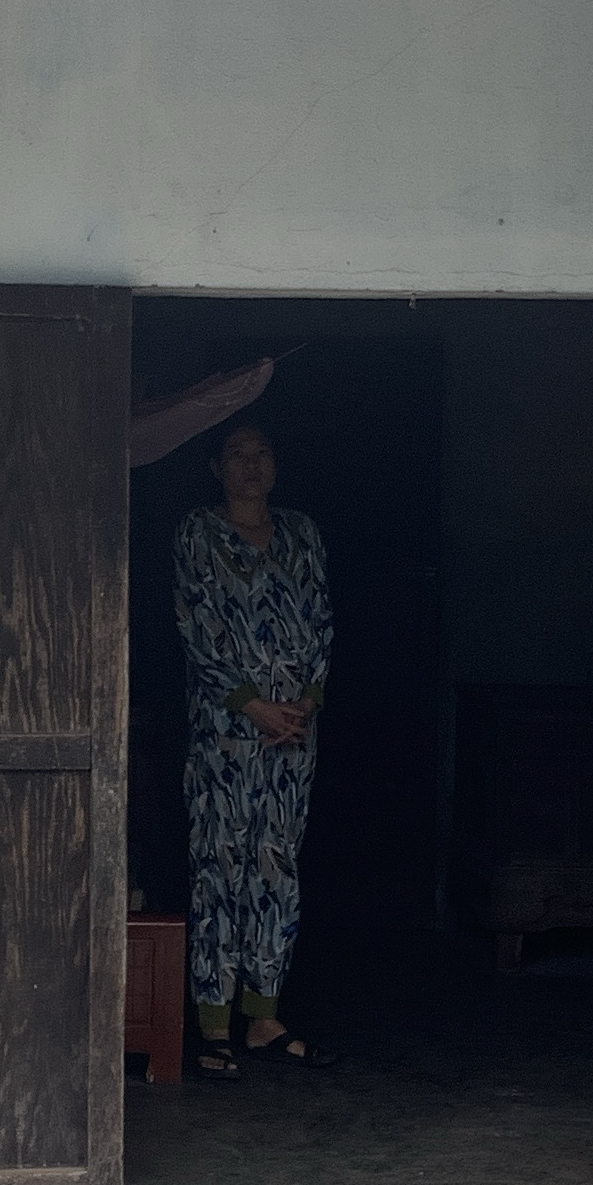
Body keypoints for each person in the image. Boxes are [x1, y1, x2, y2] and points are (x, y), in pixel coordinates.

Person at [172, 418, 336, 1072]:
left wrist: (305, 705)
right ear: (216, 467)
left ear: (276, 464)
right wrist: (255, 706)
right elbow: (197, 628)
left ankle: (264, 1017)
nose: (250, 464)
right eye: (237, 454)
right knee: (220, 868)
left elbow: (321, 621)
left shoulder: (302, 533)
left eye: (261, 452)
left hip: (292, 735)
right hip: (226, 733)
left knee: (276, 868)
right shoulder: (198, 532)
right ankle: (214, 1023)